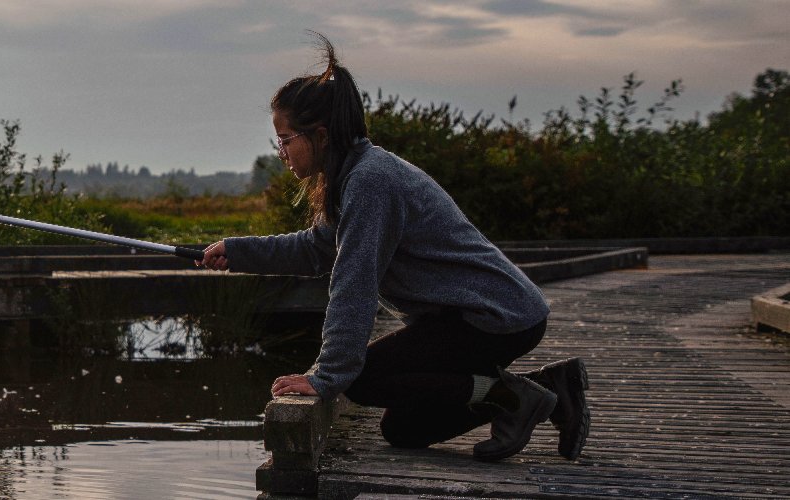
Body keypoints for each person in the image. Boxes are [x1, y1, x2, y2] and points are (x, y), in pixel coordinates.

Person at [197, 33, 589, 462]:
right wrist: (237, 251)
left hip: (496, 315)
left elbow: (354, 284)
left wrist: (327, 376)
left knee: (360, 379)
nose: (281, 153)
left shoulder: (370, 181)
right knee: (404, 428)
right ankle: (553, 388)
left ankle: (510, 397)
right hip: (463, 317)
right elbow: (317, 249)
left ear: (321, 135)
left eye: (286, 140)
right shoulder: (353, 176)